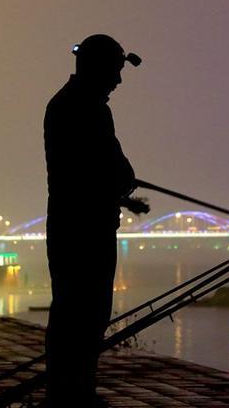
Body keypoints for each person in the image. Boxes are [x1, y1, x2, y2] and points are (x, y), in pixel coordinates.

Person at [43, 34, 150, 407]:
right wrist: (122, 187)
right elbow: (100, 171)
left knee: (74, 314)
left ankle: (68, 390)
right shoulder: (85, 108)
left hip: (76, 225)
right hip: (86, 231)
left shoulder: (70, 105)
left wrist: (125, 198)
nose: (119, 81)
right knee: (84, 315)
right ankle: (73, 394)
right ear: (97, 67)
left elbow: (93, 172)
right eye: (116, 71)